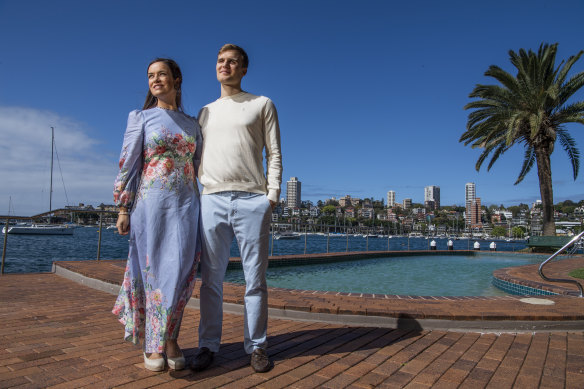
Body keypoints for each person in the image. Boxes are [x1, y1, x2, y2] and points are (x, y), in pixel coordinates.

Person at [191, 44, 282, 373]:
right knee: (210, 280)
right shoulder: (205, 112)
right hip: (211, 198)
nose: (224, 66)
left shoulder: (262, 105)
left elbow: (274, 153)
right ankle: (207, 345)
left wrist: (270, 197)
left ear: (243, 70)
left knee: (254, 281)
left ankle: (257, 346)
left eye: (232, 62)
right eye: (220, 61)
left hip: (251, 200)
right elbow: (196, 159)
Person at [112, 58, 202, 372]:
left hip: (186, 207)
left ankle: (172, 337)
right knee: (152, 274)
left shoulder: (193, 124)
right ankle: (154, 342)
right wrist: (123, 206)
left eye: (161, 74)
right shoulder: (141, 118)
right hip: (150, 207)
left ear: (176, 78)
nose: (155, 80)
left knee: (180, 273)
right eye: (150, 75)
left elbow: (198, 166)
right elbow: (128, 164)